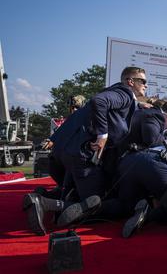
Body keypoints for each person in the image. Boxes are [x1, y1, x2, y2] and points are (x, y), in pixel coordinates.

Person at [24, 67, 147, 235]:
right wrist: (102, 135)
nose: (146, 85)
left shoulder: (120, 94)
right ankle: (43, 203)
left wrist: (139, 105)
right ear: (130, 81)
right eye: (143, 81)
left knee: (76, 192)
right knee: (92, 204)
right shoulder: (124, 93)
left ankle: (43, 195)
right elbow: (100, 101)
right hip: (82, 154)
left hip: (68, 150)